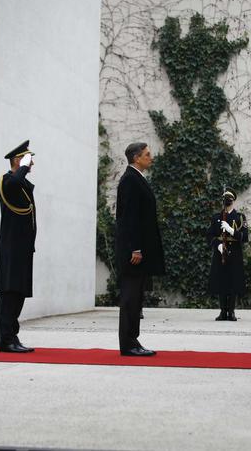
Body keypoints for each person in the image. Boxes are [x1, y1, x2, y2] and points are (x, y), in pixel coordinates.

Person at [115, 142, 165, 356]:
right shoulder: (130, 180)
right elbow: (129, 218)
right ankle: (128, 343)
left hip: (139, 252)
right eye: (147, 154)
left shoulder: (137, 178)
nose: (151, 157)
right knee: (130, 298)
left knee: (136, 298)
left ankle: (132, 340)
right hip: (133, 253)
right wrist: (135, 248)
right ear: (136, 157)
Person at [0, 140, 36, 353]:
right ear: (18, 160)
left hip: (22, 248)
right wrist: (22, 167)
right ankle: (6, 340)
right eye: (29, 160)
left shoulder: (22, 184)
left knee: (18, 294)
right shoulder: (7, 180)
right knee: (9, 294)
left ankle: (13, 336)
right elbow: (12, 184)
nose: (32, 164)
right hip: (11, 248)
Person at [206, 189, 248, 321]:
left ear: (233, 200)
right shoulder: (216, 217)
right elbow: (210, 235)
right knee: (221, 281)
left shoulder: (240, 217)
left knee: (233, 281)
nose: (227, 202)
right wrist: (218, 245)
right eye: (225, 199)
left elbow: (245, 237)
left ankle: (232, 312)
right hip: (220, 252)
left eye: (229, 199)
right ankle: (223, 311)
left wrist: (231, 230)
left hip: (235, 252)